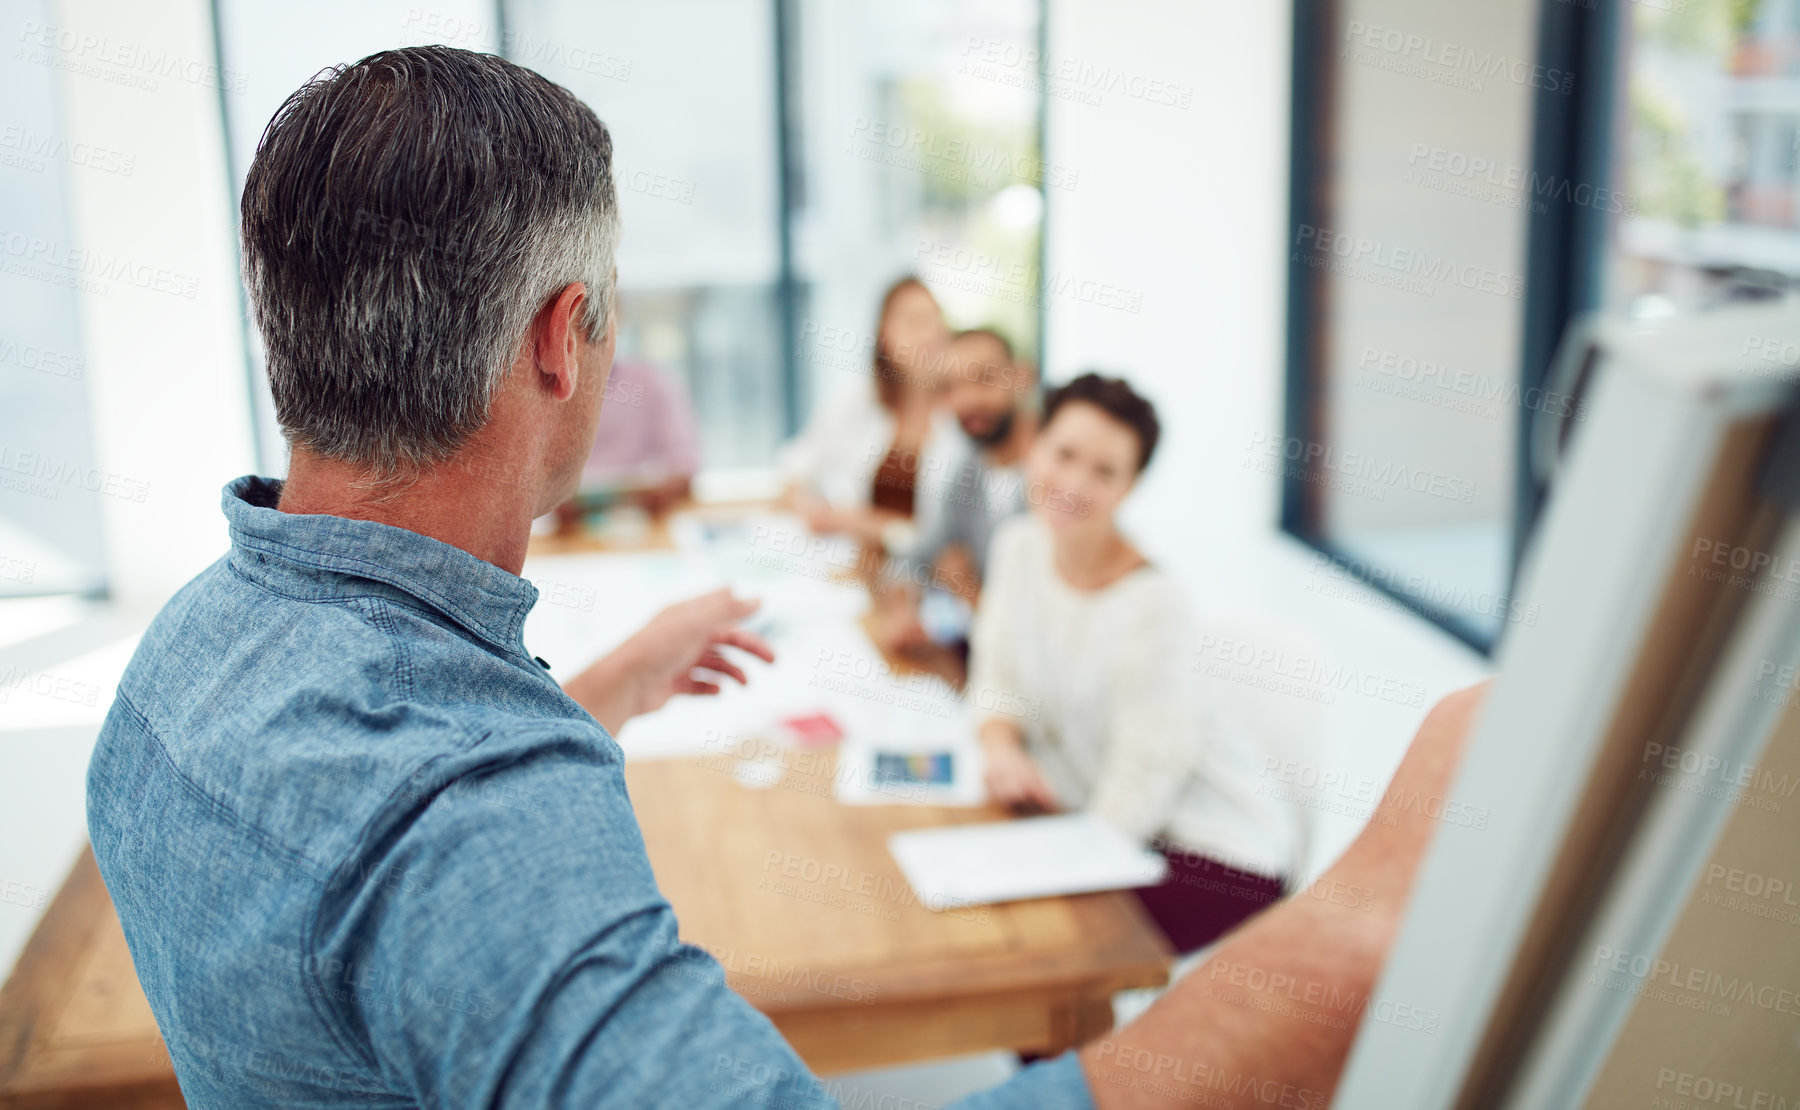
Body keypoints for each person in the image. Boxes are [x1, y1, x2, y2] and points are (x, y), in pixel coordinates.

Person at [86, 46, 1489, 1109]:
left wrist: (599, 697)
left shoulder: (183, 659)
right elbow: (443, 855)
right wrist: (1364, 926)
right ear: (564, 340)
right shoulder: (471, 820)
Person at [969, 373, 1291, 954]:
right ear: (1034, 445)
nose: (1072, 483)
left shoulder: (1155, 605)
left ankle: (1063, 1046)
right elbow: (997, 679)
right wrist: (1001, 747)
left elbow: (1139, 789)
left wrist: (1059, 863)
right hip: (1100, 822)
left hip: (1207, 857)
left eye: (1105, 472)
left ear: (1131, 486)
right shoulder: (1018, 546)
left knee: (1038, 945)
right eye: (1063, 454)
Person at [870, 327, 1037, 668]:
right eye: (952, 387)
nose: (966, 401)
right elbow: (915, 557)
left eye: (983, 379)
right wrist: (904, 608)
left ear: (1021, 377)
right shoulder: (967, 467)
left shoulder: (1056, 482)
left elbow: (1041, 633)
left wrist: (971, 594)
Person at [779, 276, 956, 549]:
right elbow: (795, 469)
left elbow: (938, 535)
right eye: (913, 322)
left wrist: (857, 522)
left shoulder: (959, 415)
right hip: (858, 569)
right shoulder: (859, 399)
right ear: (884, 335)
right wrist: (814, 511)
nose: (928, 334)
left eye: (934, 320)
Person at [563, 355, 700, 518]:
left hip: (642, 523)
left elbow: (684, 465)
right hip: (563, 527)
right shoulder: (546, 388)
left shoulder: (653, 383)